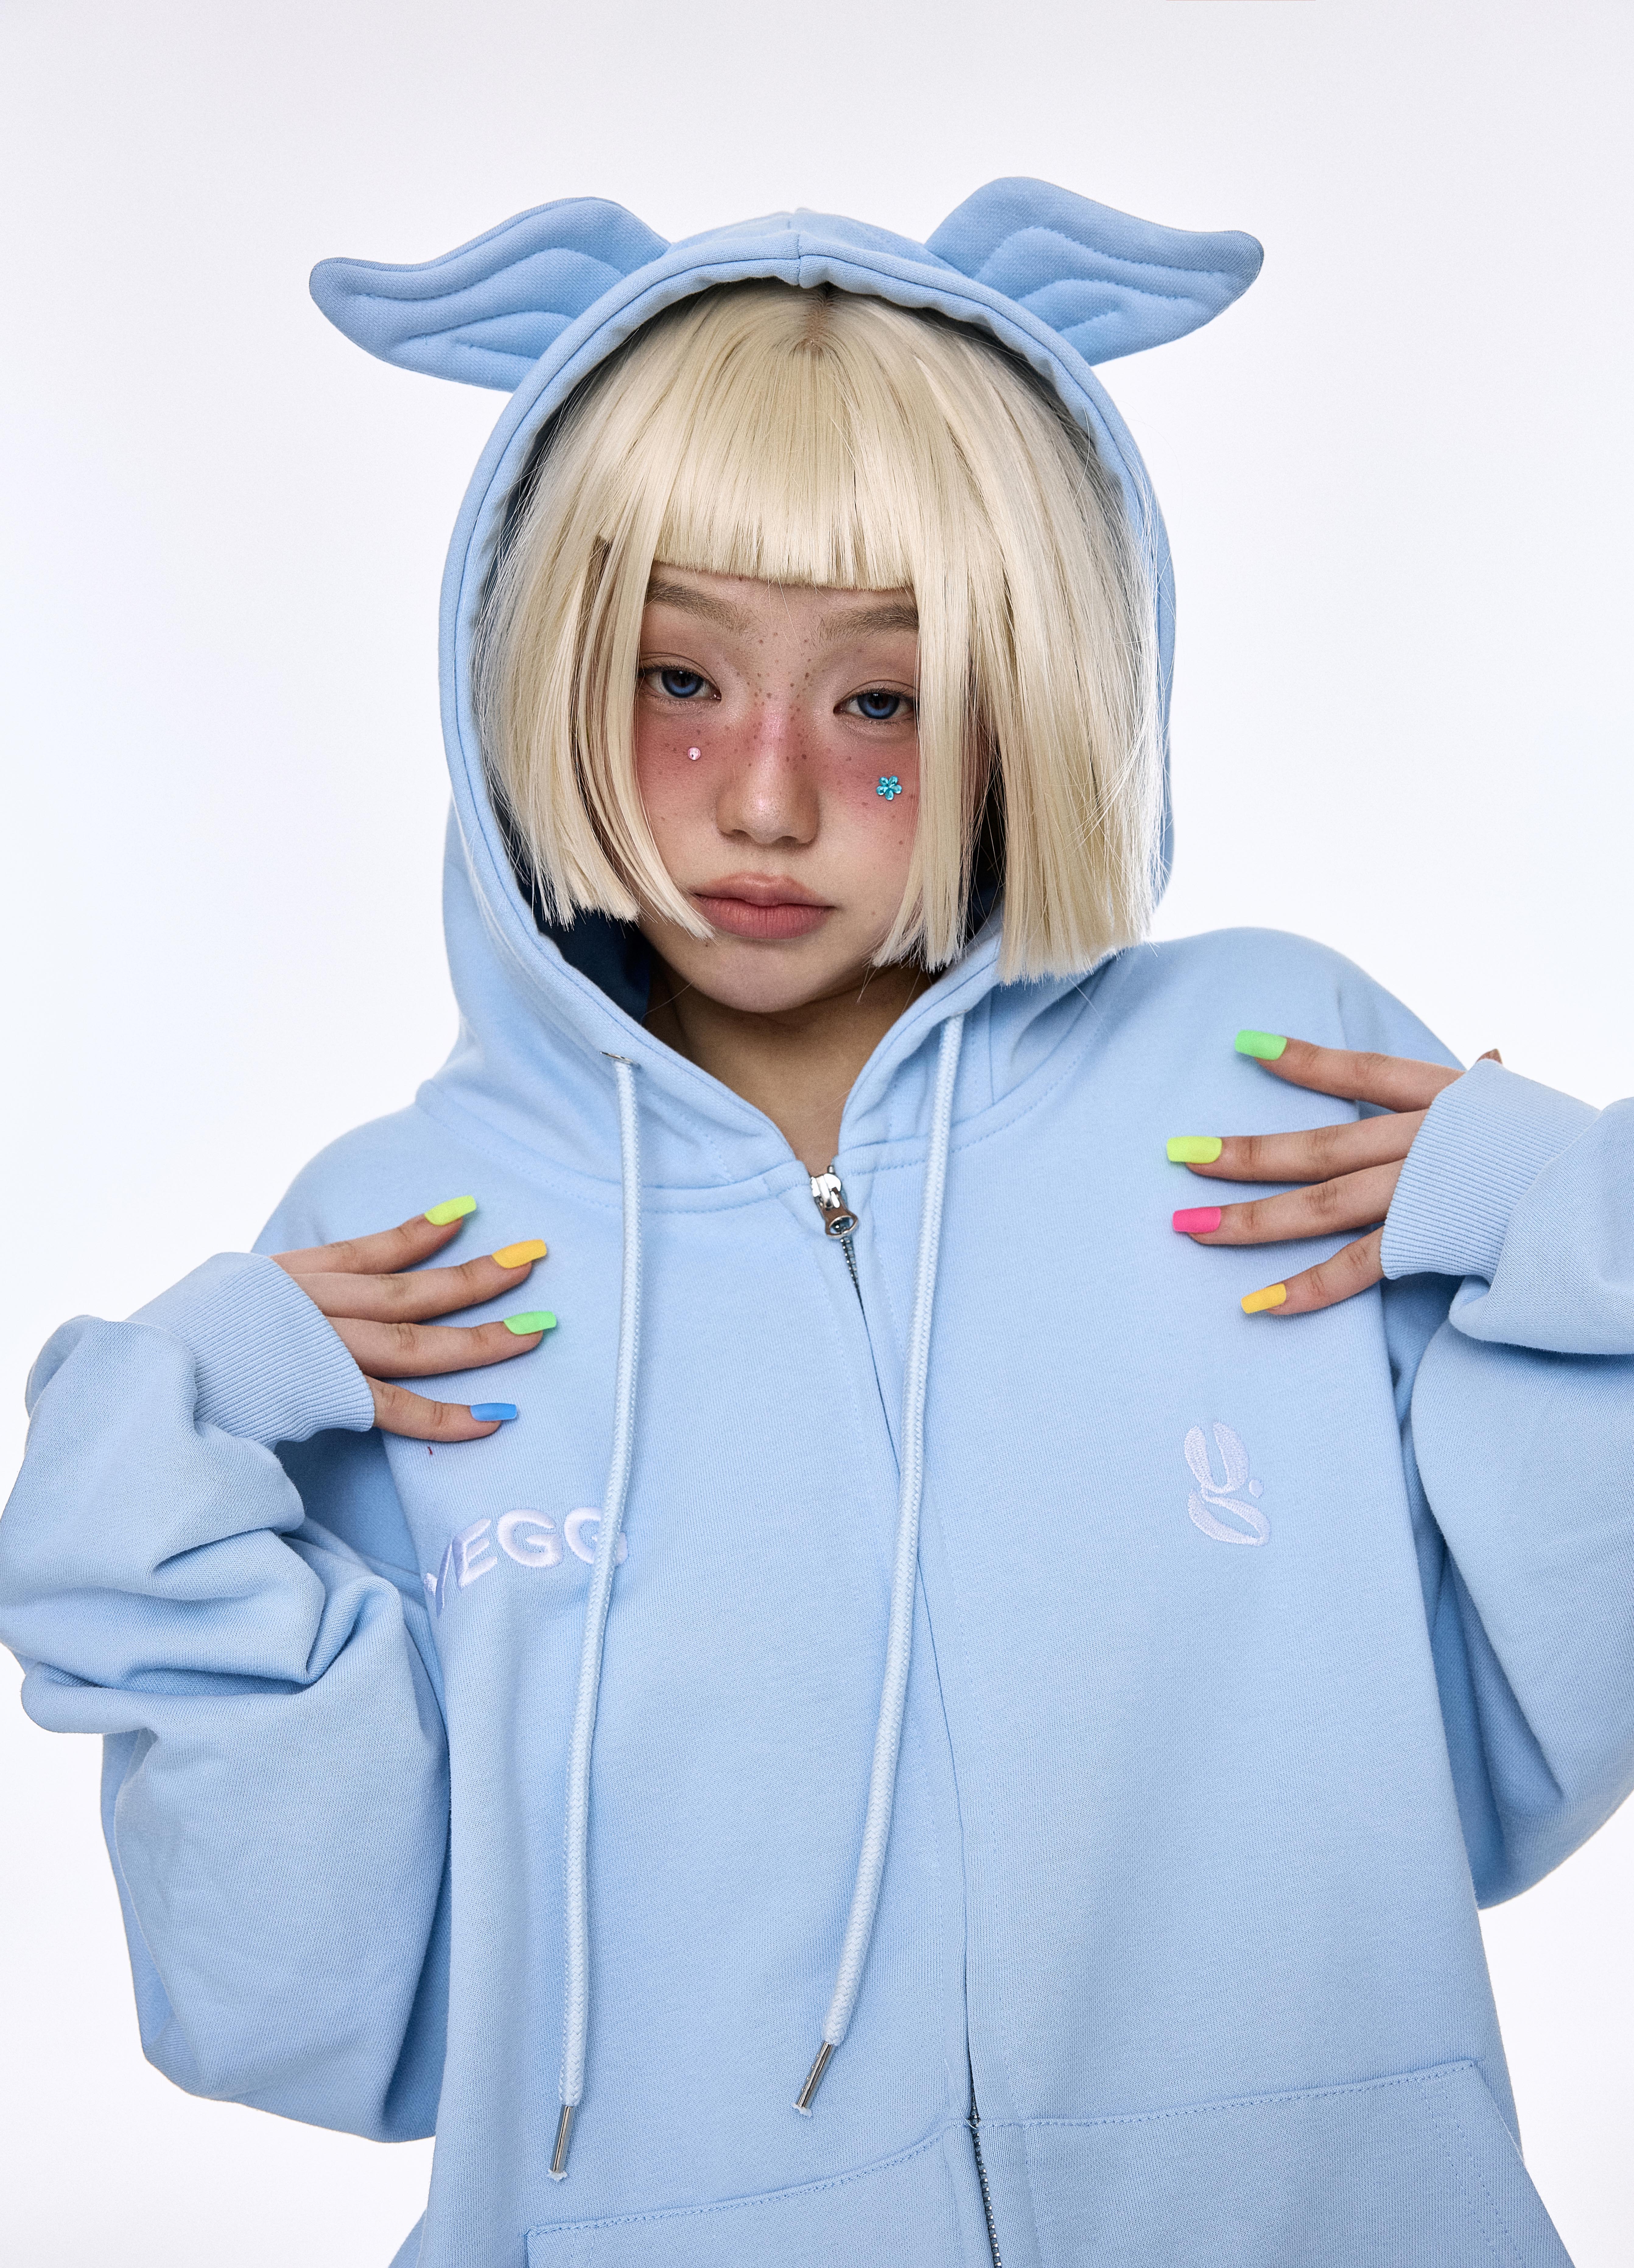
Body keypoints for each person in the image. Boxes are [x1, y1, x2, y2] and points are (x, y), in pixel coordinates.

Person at [0, 180, 1628, 2268]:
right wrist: (162, 1447)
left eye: (882, 700)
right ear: (536, 668)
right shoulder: (406, 1246)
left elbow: (1524, 1728)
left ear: (1030, 698)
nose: (763, 796)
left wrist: (1569, 1217)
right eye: (676, 676)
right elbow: (298, 2014)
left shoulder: (1263, 1085)